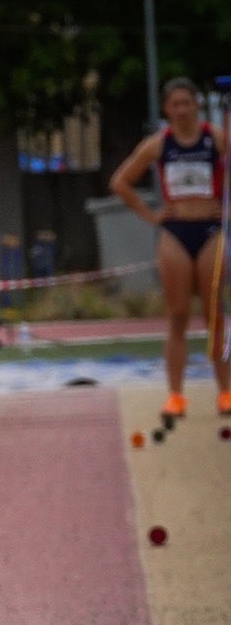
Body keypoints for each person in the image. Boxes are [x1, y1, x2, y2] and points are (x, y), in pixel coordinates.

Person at [110, 77, 230, 419]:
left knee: (214, 316)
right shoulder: (159, 144)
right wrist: (151, 215)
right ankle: (176, 396)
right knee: (177, 315)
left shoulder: (217, 139)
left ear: (197, 106)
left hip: (210, 230)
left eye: (187, 103)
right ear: (167, 109)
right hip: (175, 231)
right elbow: (120, 182)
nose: (181, 110)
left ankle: (225, 392)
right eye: (174, 104)